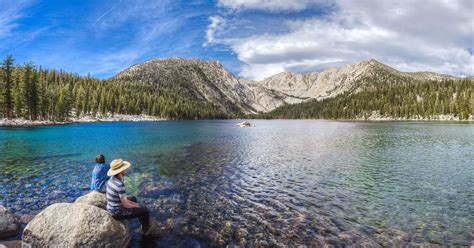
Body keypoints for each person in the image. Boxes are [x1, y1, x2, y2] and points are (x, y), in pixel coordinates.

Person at [106, 159, 158, 237]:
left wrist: (133, 203)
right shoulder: (119, 185)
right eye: (124, 169)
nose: (126, 170)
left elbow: (123, 199)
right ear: (121, 171)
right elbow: (125, 205)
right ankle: (145, 231)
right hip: (117, 212)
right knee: (145, 211)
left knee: (133, 198)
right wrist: (135, 206)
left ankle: (141, 221)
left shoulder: (111, 179)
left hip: (111, 207)